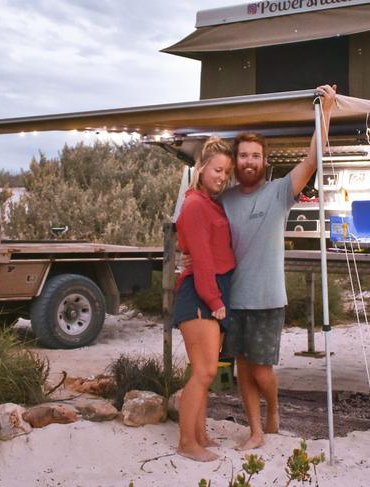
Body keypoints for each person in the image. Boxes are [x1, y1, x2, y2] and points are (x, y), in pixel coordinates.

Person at [221, 84, 337, 450]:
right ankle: (255, 430)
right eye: (243, 156)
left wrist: (327, 111)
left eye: (255, 155)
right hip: (233, 299)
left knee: (261, 369)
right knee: (242, 367)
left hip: (269, 297)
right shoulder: (223, 199)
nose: (249, 161)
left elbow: (313, 158)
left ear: (263, 160)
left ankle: (273, 407)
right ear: (236, 161)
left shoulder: (279, 192)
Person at [171, 136, 235, 462]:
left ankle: (199, 434)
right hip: (199, 293)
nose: (222, 176)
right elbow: (202, 257)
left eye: (226, 171)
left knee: (204, 371)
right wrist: (214, 300)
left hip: (211, 290)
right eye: (217, 169)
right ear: (202, 167)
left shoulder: (209, 201)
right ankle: (186, 442)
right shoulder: (196, 204)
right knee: (205, 372)